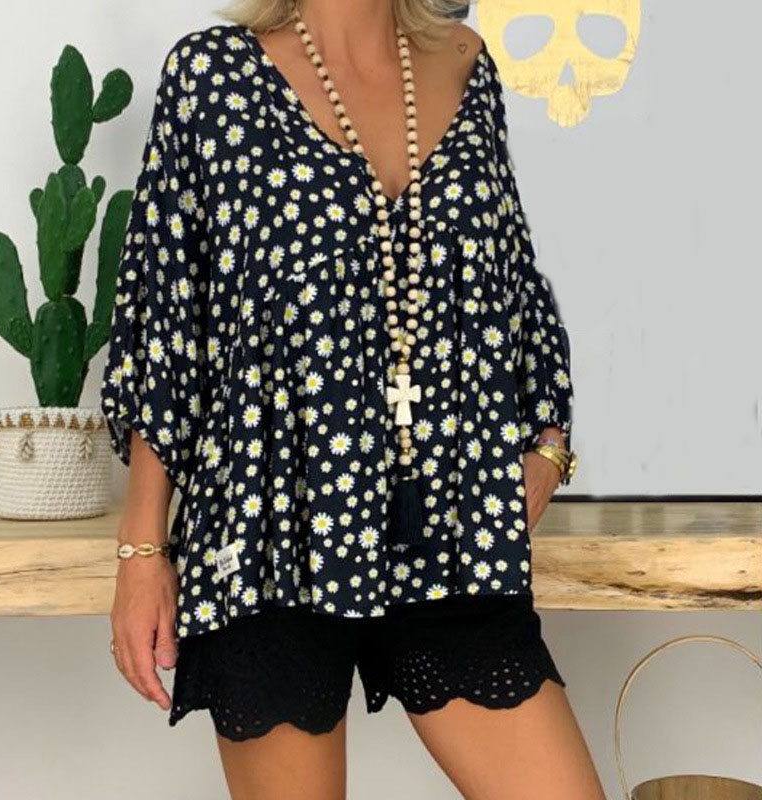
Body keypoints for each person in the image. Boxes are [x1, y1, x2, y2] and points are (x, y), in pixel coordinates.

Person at [101, 1, 603, 798]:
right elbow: (170, 320)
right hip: (271, 536)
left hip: (450, 532)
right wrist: (140, 551)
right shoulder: (212, 74)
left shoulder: (465, 64)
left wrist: (546, 446)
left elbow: (513, 279)